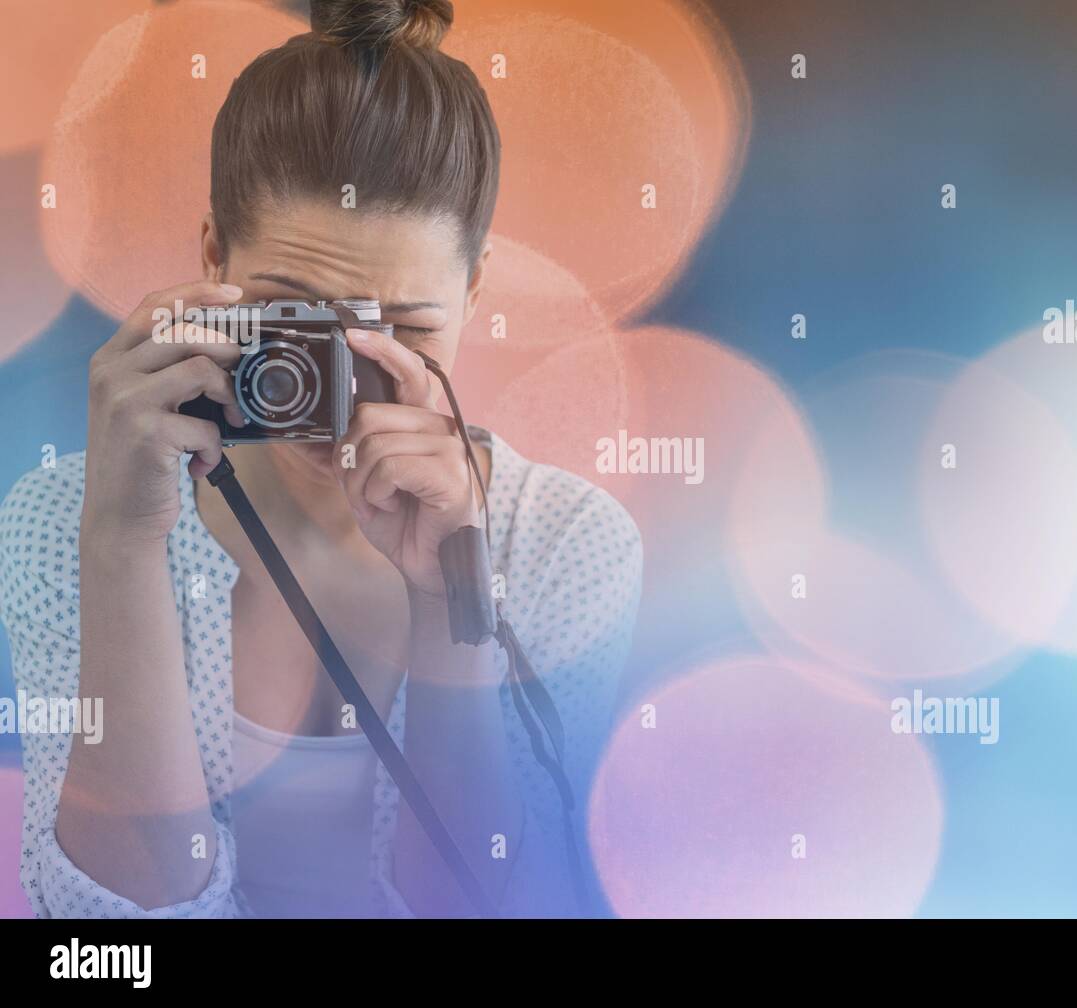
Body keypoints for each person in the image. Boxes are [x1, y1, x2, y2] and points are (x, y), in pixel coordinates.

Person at [0, 0, 641, 918]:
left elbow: (488, 906)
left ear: (474, 293)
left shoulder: (567, 542)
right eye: (292, 320)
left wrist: (448, 595)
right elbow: (106, 946)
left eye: (404, 332)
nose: (336, 388)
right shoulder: (61, 520)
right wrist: (121, 544)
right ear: (213, 257)